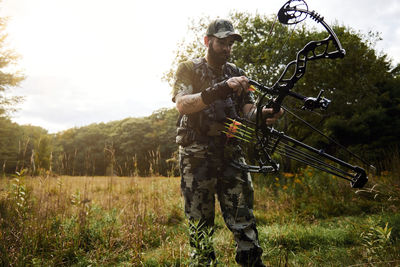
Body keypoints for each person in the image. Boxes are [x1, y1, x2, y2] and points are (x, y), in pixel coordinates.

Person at [171, 18, 283, 266]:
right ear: (207, 41)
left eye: (231, 43)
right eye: (222, 42)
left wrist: (263, 115)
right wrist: (218, 90)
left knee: (243, 217)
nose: (227, 48)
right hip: (196, 156)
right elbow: (183, 104)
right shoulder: (189, 68)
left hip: (231, 154)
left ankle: (252, 262)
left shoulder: (236, 72)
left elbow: (248, 111)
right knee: (199, 222)